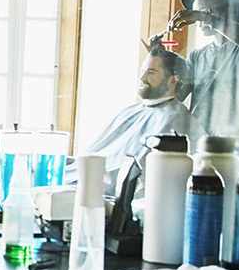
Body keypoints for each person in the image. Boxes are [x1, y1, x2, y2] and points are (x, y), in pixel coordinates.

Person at [66, 48, 192, 195]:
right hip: (83, 179)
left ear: (173, 79)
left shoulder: (174, 119)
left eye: (151, 72)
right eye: (143, 71)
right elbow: (95, 152)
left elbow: (137, 179)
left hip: (101, 193)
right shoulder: (131, 111)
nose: (142, 78)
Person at [169, 0, 239, 148]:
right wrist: (160, 59)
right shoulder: (197, 56)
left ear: (228, 13)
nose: (198, 21)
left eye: (205, 12)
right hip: (199, 146)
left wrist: (205, 17)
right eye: (197, 13)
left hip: (235, 147)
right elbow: (175, 98)